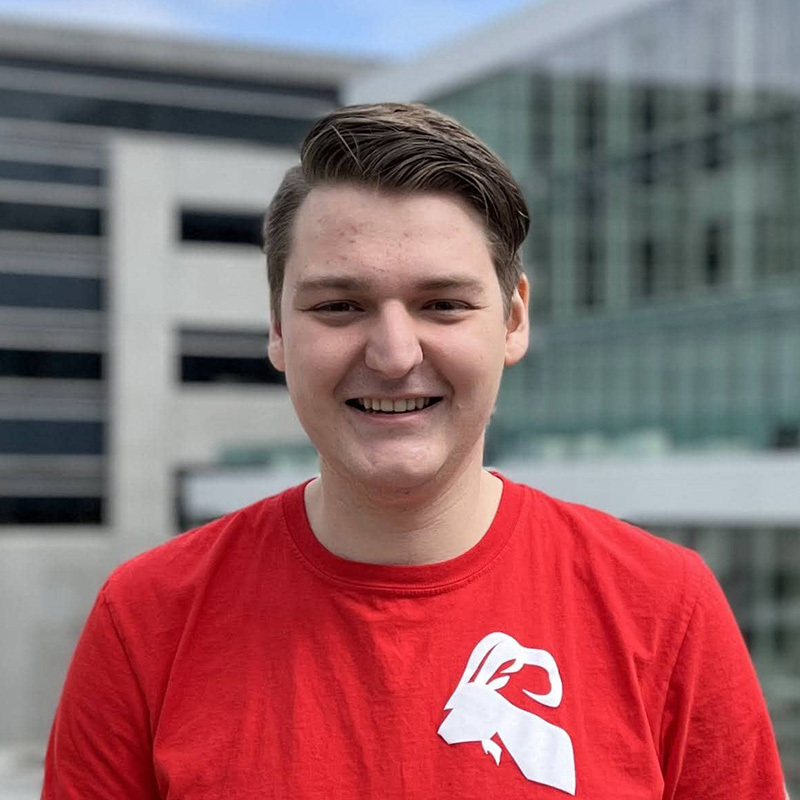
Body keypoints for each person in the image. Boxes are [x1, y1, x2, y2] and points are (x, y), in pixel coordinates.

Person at [43, 103, 786, 799]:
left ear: (514, 321)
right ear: (276, 329)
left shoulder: (665, 608)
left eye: (443, 305)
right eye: (339, 306)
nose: (395, 354)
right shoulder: (145, 620)